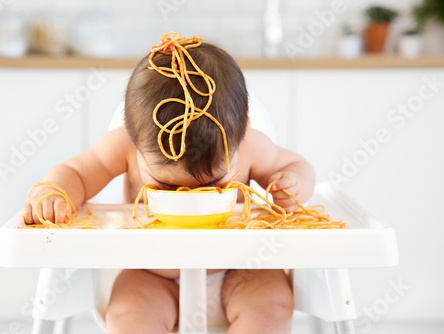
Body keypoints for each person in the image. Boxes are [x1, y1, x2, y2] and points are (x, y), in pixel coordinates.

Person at [22, 32, 315, 334]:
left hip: (237, 268)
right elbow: (78, 172)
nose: (188, 195)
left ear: (241, 135)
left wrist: (291, 184)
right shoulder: (122, 146)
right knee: (128, 314)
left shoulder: (253, 146)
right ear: (133, 140)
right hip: (153, 272)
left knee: (273, 303)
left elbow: (296, 166)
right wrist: (54, 192)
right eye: (166, 186)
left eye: (213, 183)